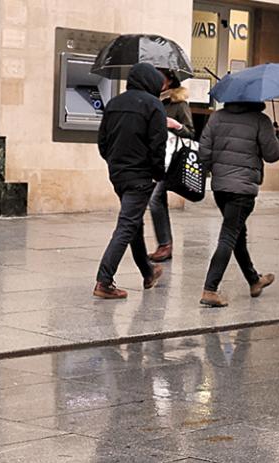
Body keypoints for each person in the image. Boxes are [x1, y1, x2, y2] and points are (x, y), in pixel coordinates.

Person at [195, 97, 279, 307]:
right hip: (242, 190)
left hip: (220, 188)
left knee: (237, 235)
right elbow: (273, 154)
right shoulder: (260, 121)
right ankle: (210, 289)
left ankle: (254, 280)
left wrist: (215, 171)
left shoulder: (216, 118)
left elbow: (204, 152)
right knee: (229, 236)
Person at [93, 62, 170, 300]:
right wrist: (158, 172)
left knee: (134, 223)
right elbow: (158, 145)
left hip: (118, 174)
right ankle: (104, 281)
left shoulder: (114, 104)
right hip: (140, 176)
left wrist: (115, 163)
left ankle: (148, 272)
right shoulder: (154, 106)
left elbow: (102, 142)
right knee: (127, 225)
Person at [148, 72, 192, 264]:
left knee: (155, 199)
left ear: (171, 81)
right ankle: (165, 244)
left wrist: (176, 125)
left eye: (162, 78)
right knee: (158, 200)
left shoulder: (179, 103)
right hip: (154, 158)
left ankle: (165, 245)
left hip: (170, 160)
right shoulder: (153, 101)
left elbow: (191, 133)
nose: (158, 81)